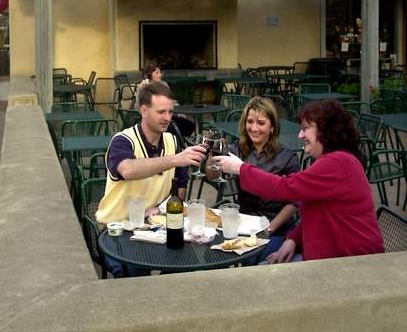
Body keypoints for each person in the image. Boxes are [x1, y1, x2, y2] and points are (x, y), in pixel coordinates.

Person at [212, 99, 384, 263]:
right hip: (327, 256)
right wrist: (293, 239)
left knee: (260, 274)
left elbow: (285, 188)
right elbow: (314, 210)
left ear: (324, 130)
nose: (300, 135)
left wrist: (240, 168)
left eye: (305, 128)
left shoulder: (338, 163)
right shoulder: (331, 161)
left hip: (353, 264)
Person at [96, 81, 205, 275]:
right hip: (117, 231)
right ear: (144, 111)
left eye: (170, 112)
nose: (167, 118)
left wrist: (163, 209)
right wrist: (174, 159)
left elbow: (179, 187)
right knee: (136, 271)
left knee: (189, 260)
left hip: (154, 227)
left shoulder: (171, 141)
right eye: (161, 112)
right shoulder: (122, 140)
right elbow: (128, 170)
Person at [220, 96, 300, 259]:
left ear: (272, 127)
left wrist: (269, 229)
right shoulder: (237, 149)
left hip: (275, 226)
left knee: (253, 258)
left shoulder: (286, 156)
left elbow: (295, 201)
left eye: (261, 123)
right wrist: (210, 157)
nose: (254, 128)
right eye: (250, 122)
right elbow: (213, 175)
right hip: (244, 223)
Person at [135, 62, 195, 137]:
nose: (160, 75)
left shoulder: (164, 84)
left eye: (160, 72)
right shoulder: (144, 87)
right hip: (153, 120)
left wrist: (179, 112)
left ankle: (177, 143)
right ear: (148, 75)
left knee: (190, 125)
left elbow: (172, 101)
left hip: (170, 116)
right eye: (157, 73)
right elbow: (137, 107)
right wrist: (140, 90)